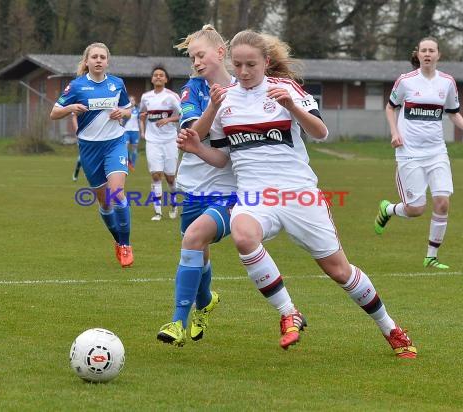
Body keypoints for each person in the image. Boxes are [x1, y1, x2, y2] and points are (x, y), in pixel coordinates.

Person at [178, 29, 417, 356]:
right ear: (230, 63)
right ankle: (288, 312)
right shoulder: (225, 100)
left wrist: (292, 105)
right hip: (255, 196)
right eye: (239, 65)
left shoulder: (285, 89)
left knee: (340, 272)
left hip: (298, 195)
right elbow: (222, 159)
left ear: (265, 62)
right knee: (243, 234)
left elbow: (320, 132)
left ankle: (390, 327)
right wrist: (197, 148)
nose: (245, 72)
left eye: (252, 64)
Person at [156, 25, 238, 347]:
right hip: (191, 186)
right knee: (197, 253)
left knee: (192, 239)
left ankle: (178, 321)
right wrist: (213, 107)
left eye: (200, 55)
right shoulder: (193, 88)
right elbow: (193, 134)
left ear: (220, 53)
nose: (196, 62)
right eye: (192, 58)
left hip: (229, 191)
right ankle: (206, 302)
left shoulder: (244, 90)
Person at [376, 37, 463, 269]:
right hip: (409, 152)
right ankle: (388, 209)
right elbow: (390, 107)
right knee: (416, 209)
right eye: (424, 50)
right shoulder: (405, 81)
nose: (428, 54)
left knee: (442, 202)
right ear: (419, 54)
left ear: (438, 55)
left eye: (432, 50)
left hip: (437, 152)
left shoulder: (447, 83)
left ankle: (431, 256)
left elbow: (453, 112)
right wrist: (394, 132)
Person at [50, 42, 134, 268]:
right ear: (86, 61)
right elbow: (54, 113)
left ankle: (126, 245)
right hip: (89, 148)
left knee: (117, 194)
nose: (98, 60)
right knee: (105, 203)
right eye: (94, 57)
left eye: (102, 57)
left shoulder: (117, 84)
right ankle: (117, 240)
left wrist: (122, 112)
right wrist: (71, 108)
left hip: (115, 143)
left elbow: (129, 109)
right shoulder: (76, 86)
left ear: (107, 61)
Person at [139, 66, 182, 221]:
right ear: (152, 79)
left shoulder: (171, 96)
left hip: (170, 140)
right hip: (153, 141)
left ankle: (173, 204)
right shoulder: (146, 97)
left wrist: (168, 119)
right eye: (155, 75)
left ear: (166, 79)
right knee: (156, 175)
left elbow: (183, 114)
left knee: (170, 177)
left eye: (161, 75)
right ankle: (157, 212)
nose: (158, 77)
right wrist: (142, 131)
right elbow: (141, 114)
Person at [123, 95, 140, 171]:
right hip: (126, 131)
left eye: (132, 100)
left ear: (135, 102)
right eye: (130, 100)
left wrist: (142, 131)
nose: (131, 102)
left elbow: (140, 121)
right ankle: (128, 162)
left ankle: (132, 164)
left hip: (135, 131)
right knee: (125, 146)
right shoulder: (125, 110)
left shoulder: (138, 110)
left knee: (134, 149)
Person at [70, 112, 81, 181]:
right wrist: (77, 130)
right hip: (84, 136)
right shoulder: (80, 102)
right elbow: (74, 117)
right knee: (82, 158)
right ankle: (76, 173)